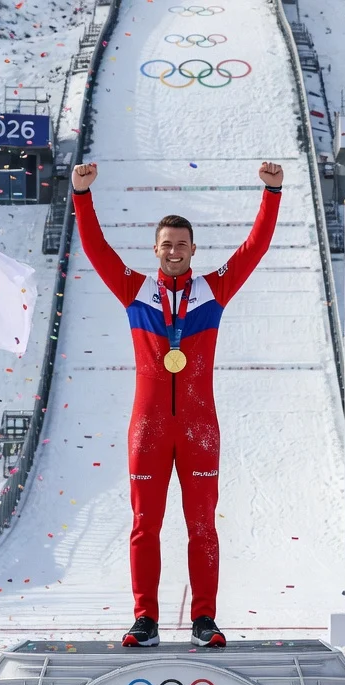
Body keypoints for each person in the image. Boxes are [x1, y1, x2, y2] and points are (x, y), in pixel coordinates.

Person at [69, 160, 283, 648]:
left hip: (198, 428)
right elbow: (96, 249)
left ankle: (204, 619)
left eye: (181, 244)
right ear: (156, 249)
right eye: (166, 244)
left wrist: (271, 193)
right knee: (145, 524)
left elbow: (254, 249)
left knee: (202, 526)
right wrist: (81, 195)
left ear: (192, 250)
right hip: (147, 426)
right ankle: (145, 618)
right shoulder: (135, 290)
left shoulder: (213, 290)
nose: (173, 251)